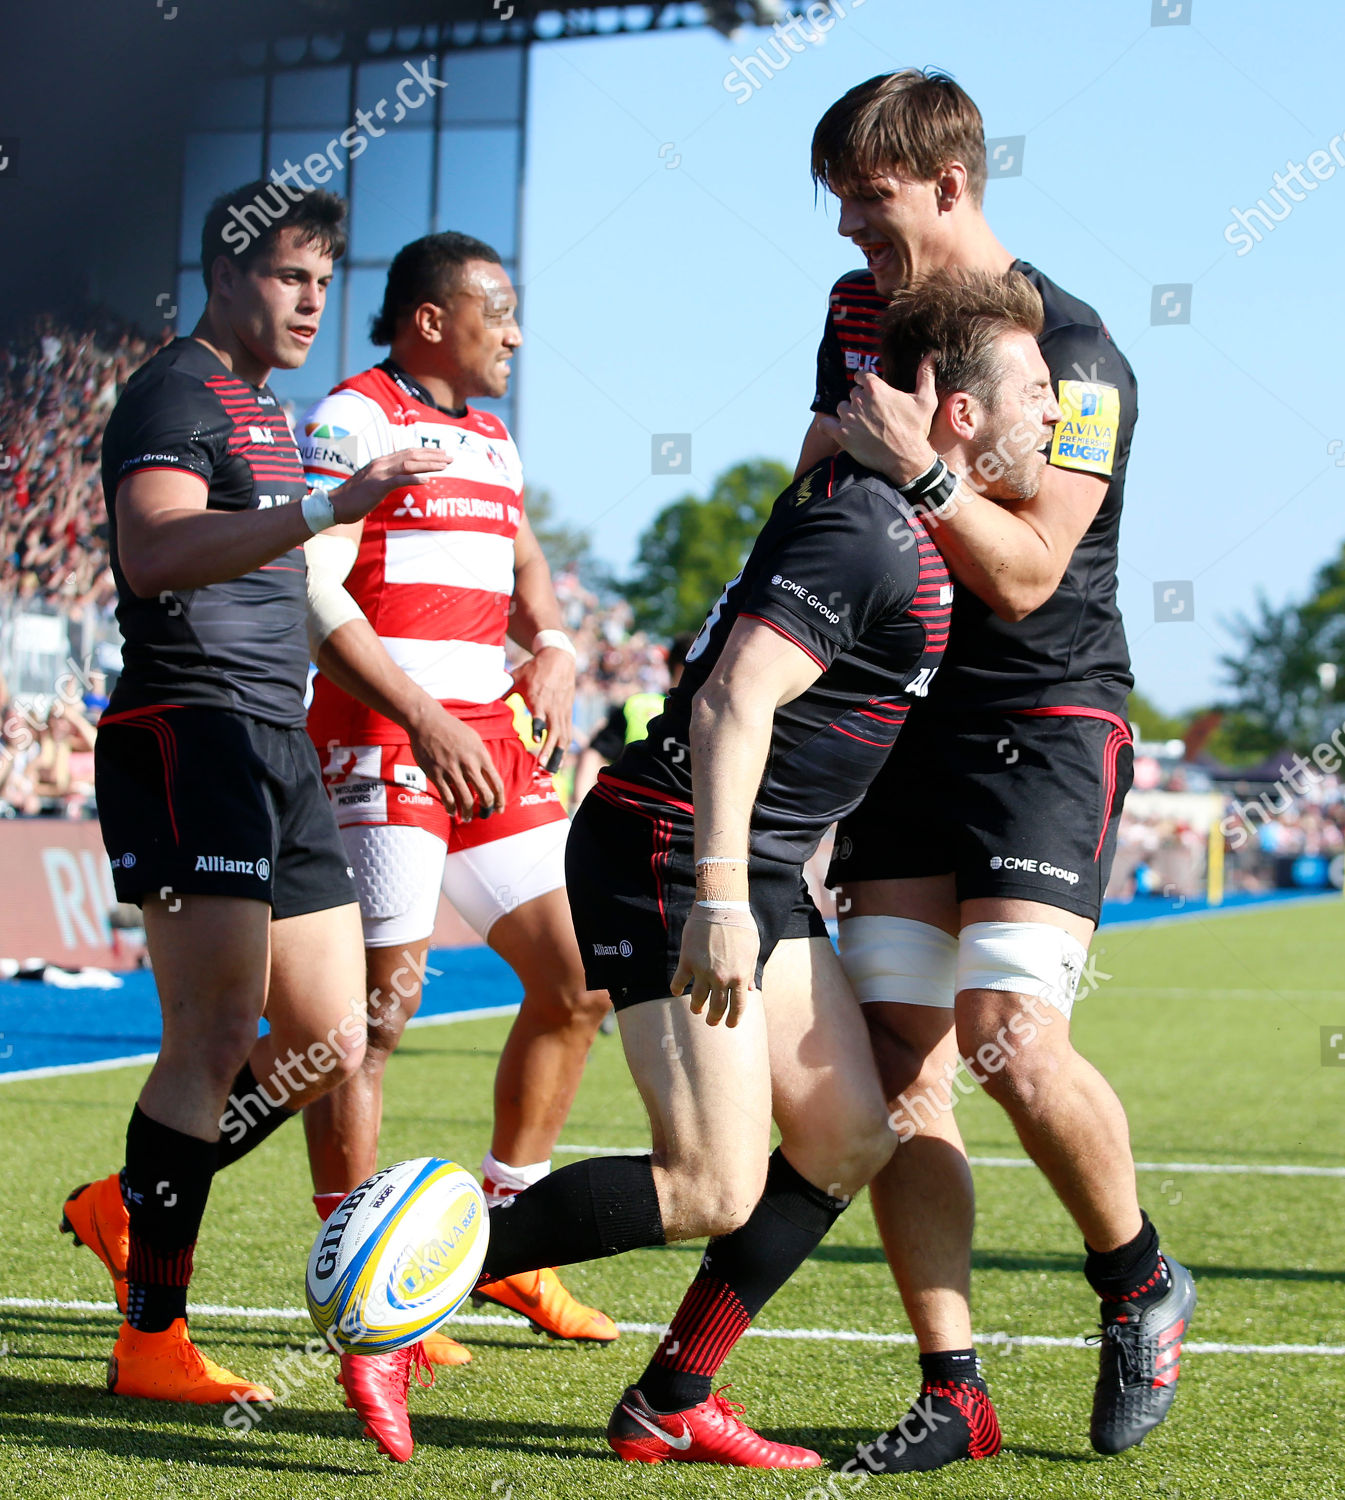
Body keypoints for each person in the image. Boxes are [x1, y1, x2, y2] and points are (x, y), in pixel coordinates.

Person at [335, 273, 1064, 1469]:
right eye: (1033, 392)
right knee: (709, 1184)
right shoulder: (870, 529)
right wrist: (723, 895)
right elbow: (733, 700)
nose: (1053, 413)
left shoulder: (901, 513)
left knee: (849, 1138)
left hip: (746, 863)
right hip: (675, 845)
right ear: (959, 414)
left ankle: (672, 1396)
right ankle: (399, 1279)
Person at [802, 72, 1196, 1469]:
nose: (852, 234)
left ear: (953, 185)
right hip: (903, 720)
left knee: (1009, 1041)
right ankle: (951, 1385)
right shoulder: (861, 319)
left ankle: (1139, 1280)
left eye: (872, 205)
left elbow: (1027, 577)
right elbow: (817, 483)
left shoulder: (1077, 357)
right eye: (840, 207)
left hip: (1046, 715)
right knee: (900, 1061)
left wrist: (919, 476)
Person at [57, 179, 448, 1404]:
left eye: (324, 283)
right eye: (290, 276)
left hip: (272, 745)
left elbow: (291, 583)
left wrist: (412, 707)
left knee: (330, 1040)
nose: (312, 301)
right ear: (226, 275)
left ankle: (126, 1201)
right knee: (218, 1038)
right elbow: (156, 549)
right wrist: (331, 505)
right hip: (191, 731)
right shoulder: (176, 388)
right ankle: (151, 1340)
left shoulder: (262, 410)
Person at [296, 231, 615, 1371]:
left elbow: (526, 561)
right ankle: (363, 1303)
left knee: (580, 981)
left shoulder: (492, 438)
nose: (518, 334)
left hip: (489, 740)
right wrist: (423, 718)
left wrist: (559, 642)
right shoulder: (351, 419)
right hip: (385, 733)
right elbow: (308, 588)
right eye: (501, 312)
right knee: (367, 1028)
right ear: (433, 320)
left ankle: (510, 1244)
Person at [572, 632, 693, 803]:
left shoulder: (720, 719)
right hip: (633, 816)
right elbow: (596, 754)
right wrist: (578, 806)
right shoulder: (638, 705)